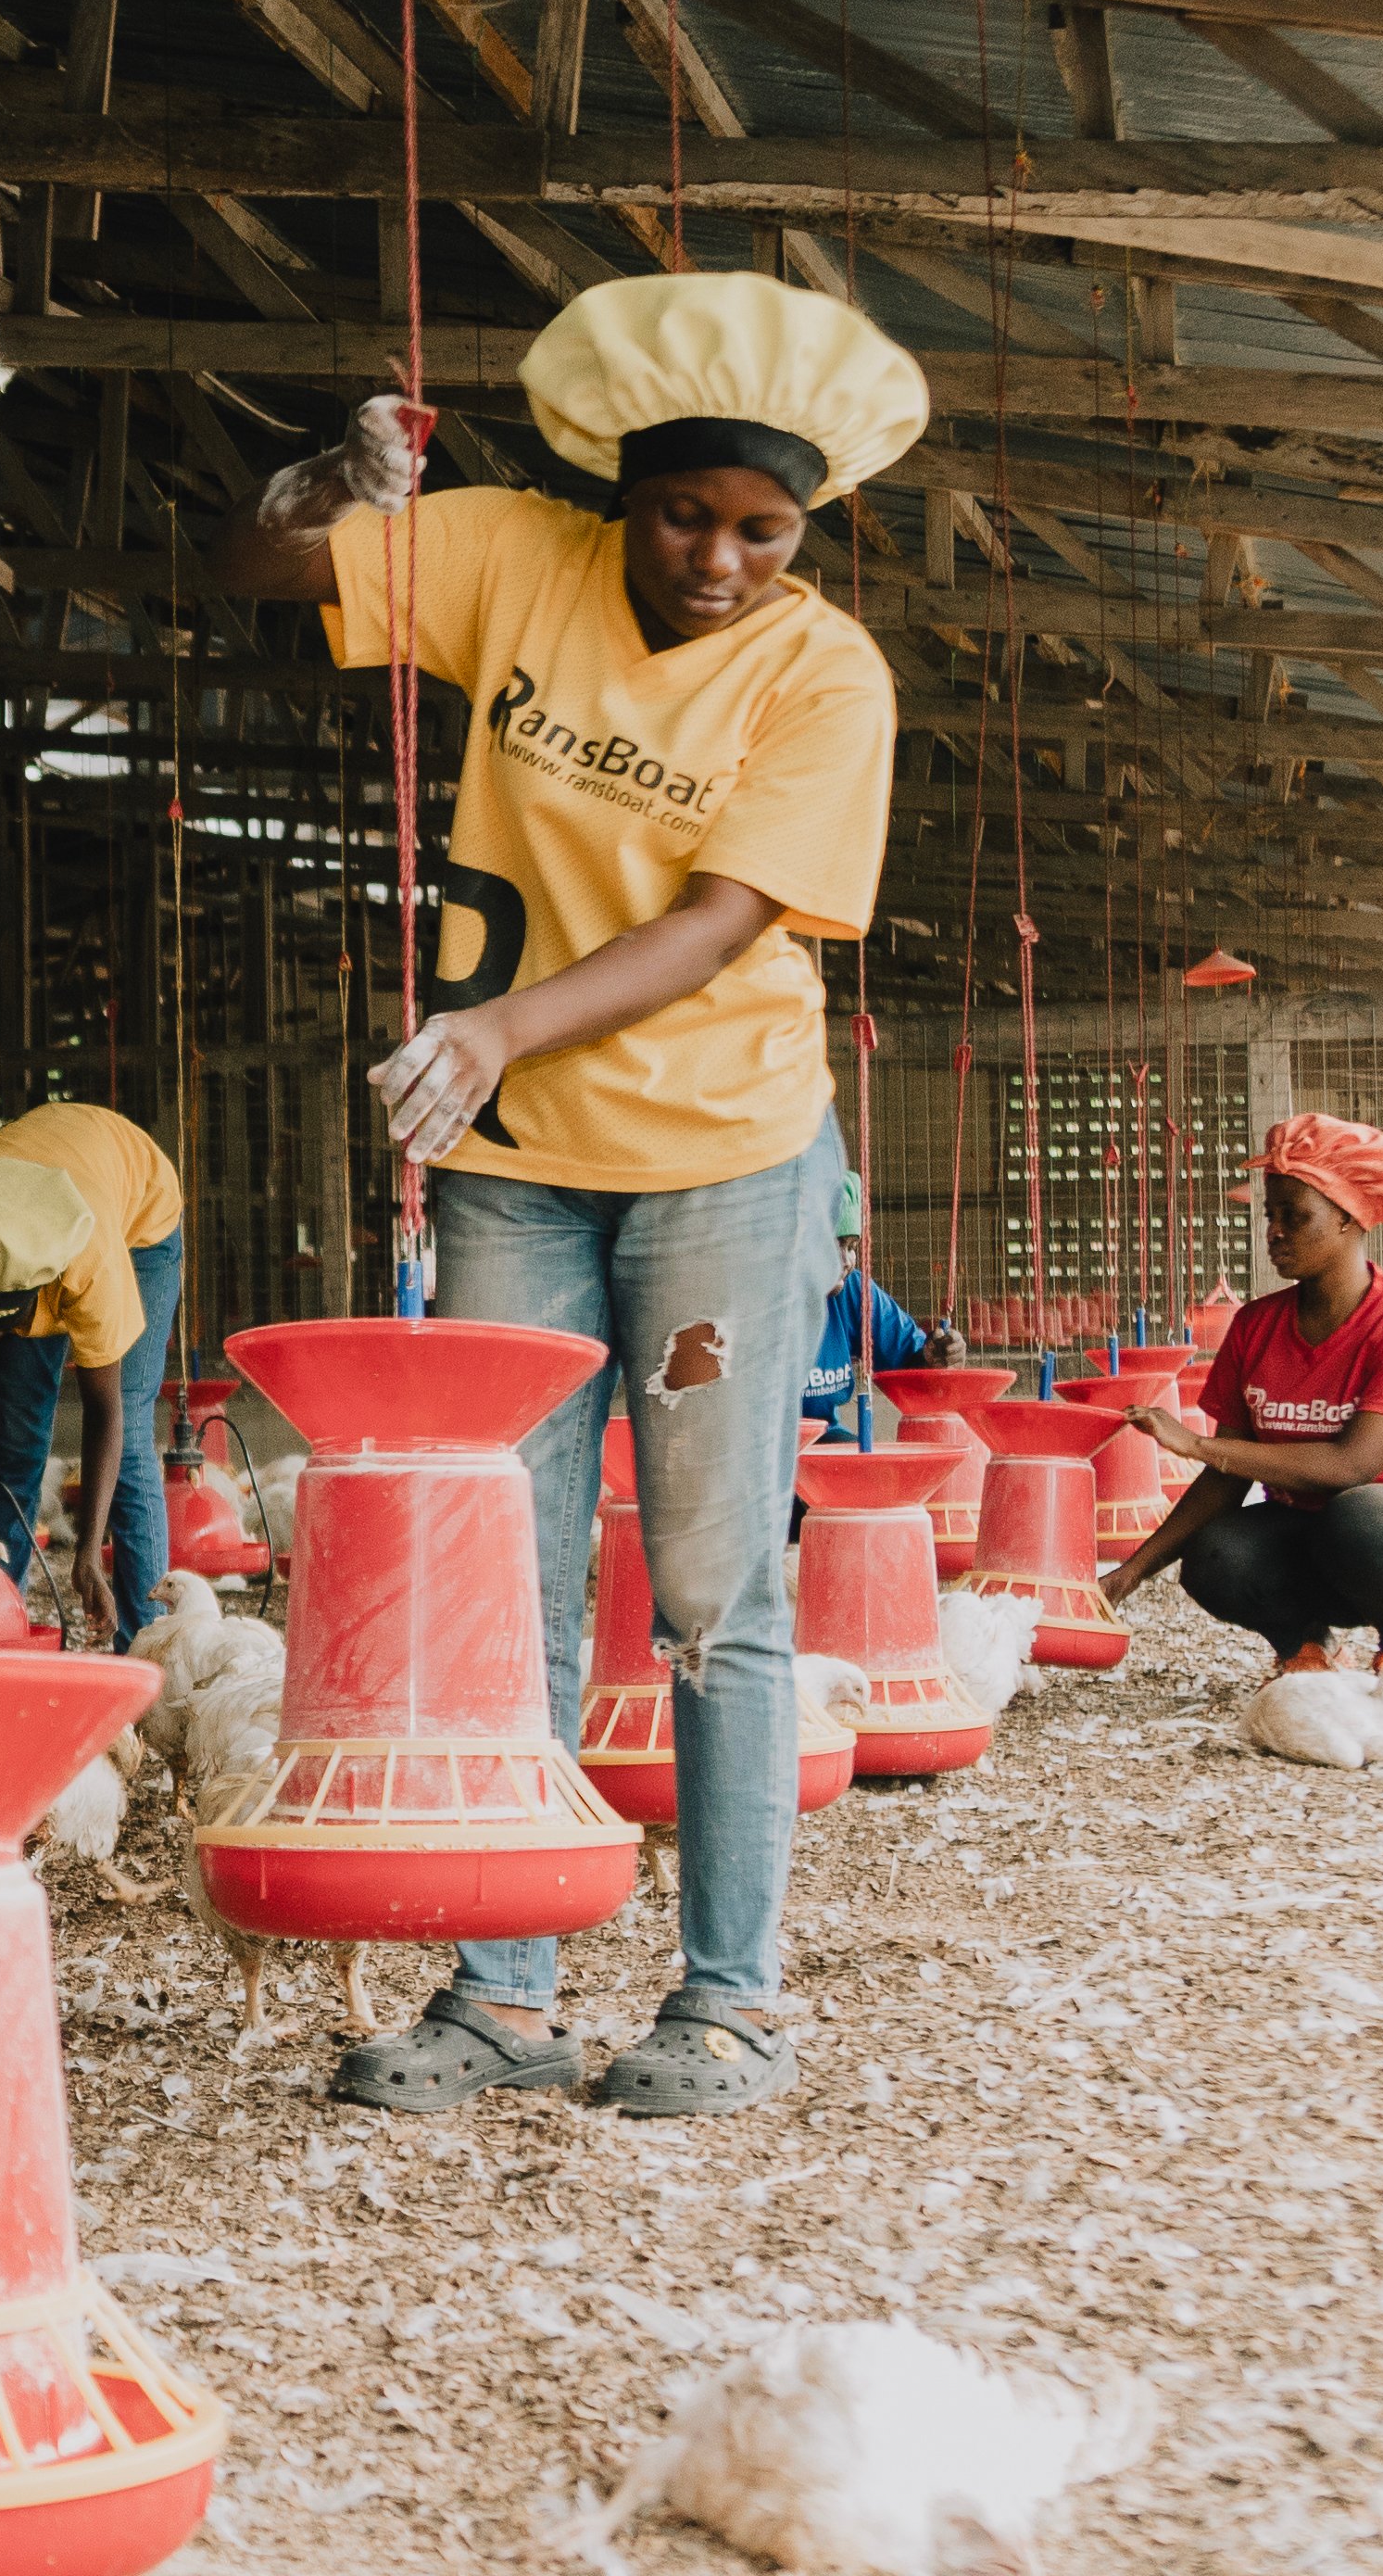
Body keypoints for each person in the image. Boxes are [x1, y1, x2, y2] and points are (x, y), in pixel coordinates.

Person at [208, 271, 925, 2120]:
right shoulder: (518, 553)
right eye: (688, 515)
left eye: (766, 530)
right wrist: (332, 485)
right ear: (627, 491)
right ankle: (502, 1992)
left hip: (716, 1157)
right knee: (497, 1584)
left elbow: (722, 920)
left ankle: (733, 1998)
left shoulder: (823, 670)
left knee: (710, 1591)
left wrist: (498, 1026)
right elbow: (266, 571)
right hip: (517, 1169)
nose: (720, 558)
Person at [1102, 1114, 1383, 1709]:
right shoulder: (1255, 1325)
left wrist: (1195, 1444)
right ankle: (1306, 1647)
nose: (1274, 1232)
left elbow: (1350, 1466)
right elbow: (1227, 1480)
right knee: (1214, 1554)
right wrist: (1129, 1574)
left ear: (1349, 1217)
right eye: (1269, 1216)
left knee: (1362, 1511)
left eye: (1294, 1216)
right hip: (1320, 1545)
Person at [0, 1102, 184, 1645]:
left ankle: (148, 1647)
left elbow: (107, 1412)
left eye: (7, 1326)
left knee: (135, 1437)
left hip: (138, 1215)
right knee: (19, 1434)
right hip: (23, 1205)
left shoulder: (91, 1262)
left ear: (42, 1291)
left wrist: (88, 1552)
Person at [804, 1172, 965, 1439]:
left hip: (821, 1436)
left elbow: (909, 1358)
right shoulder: (757, 1301)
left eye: (852, 1246)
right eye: (835, 1245)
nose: (847, 1261)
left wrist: (934, 1357)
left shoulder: (853, 1292)